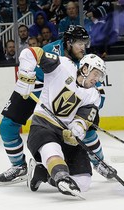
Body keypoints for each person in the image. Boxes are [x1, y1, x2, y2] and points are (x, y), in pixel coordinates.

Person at [0, 25, 111, 185]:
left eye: (85, 43)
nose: (83, 47)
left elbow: (94, 89)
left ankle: (99, 161)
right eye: (79, 43)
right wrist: (25, 76)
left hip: (65, 95)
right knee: (7, 127)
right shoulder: (52, 49)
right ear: (68, 42)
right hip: (36, 88)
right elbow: (32, 57)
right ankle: (19, 166)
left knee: (87, 127)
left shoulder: (84, 60)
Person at [16, 47, 107, 198]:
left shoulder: (93, 95)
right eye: (95, 74)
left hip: (64, 134)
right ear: (85, 68)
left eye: (99, 76)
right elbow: (31, 52)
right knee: (52, 151)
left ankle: (41, 172)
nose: (96, 79)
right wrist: (26, 75)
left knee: (83, 183)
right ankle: (61, 177)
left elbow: (83, 119)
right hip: (43, 125)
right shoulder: (62, 66)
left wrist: (77, 129)